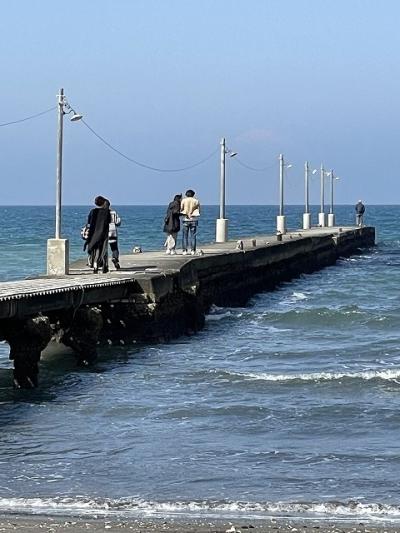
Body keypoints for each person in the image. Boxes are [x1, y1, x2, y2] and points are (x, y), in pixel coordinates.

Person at [85, 196, 111, 273]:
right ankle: (104, 266)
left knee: (95, 249)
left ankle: (95, 264)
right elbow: (109, 222)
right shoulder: (107, 212)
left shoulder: (93, 211)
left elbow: (89, 222)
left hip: (93, 233)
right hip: (103, 233)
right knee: (103, 250)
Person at [181, 189, 200, 255]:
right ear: (193, 194)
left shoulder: (184, 200)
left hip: (185, 219)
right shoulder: (196, 201)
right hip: (194, 219)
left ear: (186, 194)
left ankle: (184, 251)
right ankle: (193, 250)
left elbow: (181, 209)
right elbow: (199, 211)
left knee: (185, 236)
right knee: (193, 236)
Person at [109, 205, 121, 269]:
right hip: (112, 231)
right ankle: (115, 258)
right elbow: (118, 222)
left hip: (102, 232)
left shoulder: (98, 212)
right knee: (114, 247)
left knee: (102, 248)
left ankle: (101, 262)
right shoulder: (113, 213)